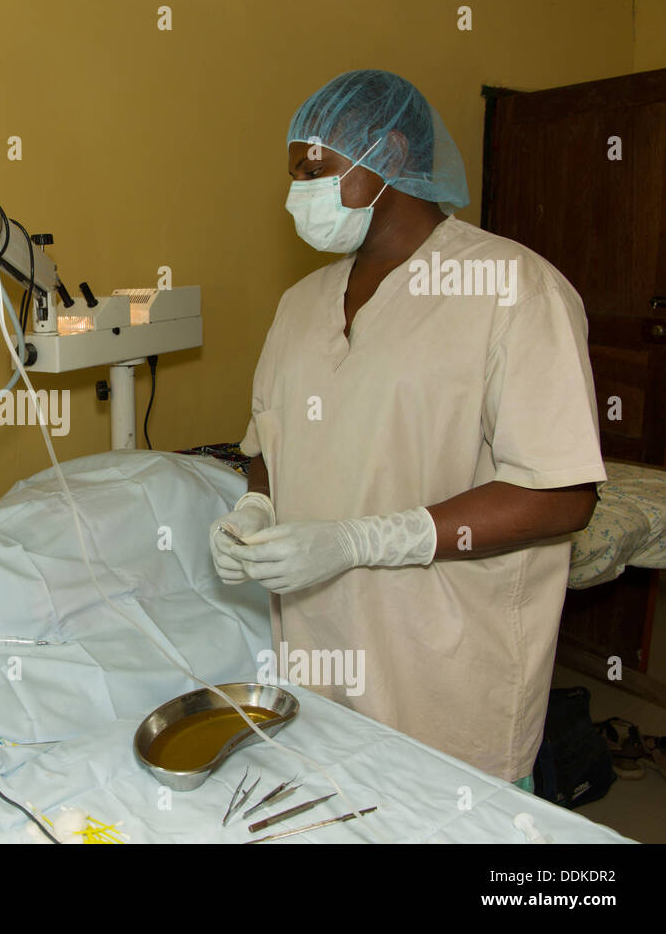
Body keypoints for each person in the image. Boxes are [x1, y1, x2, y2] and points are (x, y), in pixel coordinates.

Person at [210, 70, 605, 789]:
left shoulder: (513, 289)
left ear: (388, 153)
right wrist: (253, 507)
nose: (297, 190)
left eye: (314, 169)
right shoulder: (301, 305)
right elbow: (265, 447)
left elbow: (561, 494)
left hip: (445, 682)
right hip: (322, 667)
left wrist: (361, 540)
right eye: (295, 172)